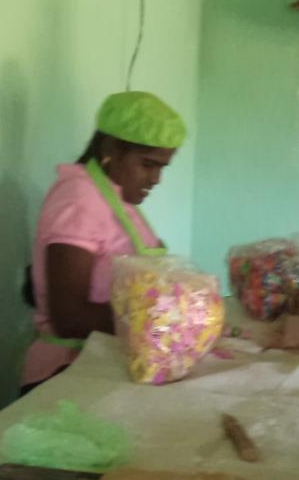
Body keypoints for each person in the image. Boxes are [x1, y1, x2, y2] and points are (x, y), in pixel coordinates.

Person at [20, 91, 186, 393]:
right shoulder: (79, 198)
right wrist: (165, 318)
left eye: (162, 167)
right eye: (148, 164)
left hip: (103, 365)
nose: (156, 179)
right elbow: (69, 317)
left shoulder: (118, 200)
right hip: (66, 373)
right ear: (111, 148)